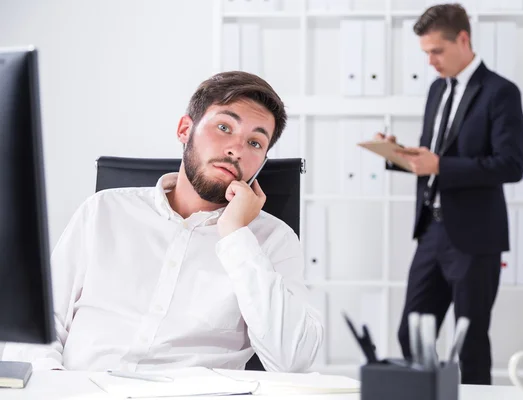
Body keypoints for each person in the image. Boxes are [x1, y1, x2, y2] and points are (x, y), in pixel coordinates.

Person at [2, 71, 324, 373]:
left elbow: (293, 361)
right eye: (224, 127)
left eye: (255, 143)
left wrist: (236, 236)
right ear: (185, 130)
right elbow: (34, 333)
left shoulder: (272, 240)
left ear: (261, 162)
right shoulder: (103, 211)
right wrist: (54, 385)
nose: (236, 150)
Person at [375, 4, 523, 384]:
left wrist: (439, 165)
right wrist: (397, 155)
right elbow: (432, 156)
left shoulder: (500, 92)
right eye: (425, 53)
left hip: (475, 238)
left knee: (470, 341)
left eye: (436, 51)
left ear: (463, 39)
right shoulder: (436, 90)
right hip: (432, 232)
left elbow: (510, 164)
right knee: (411, 334)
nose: (430, 61)